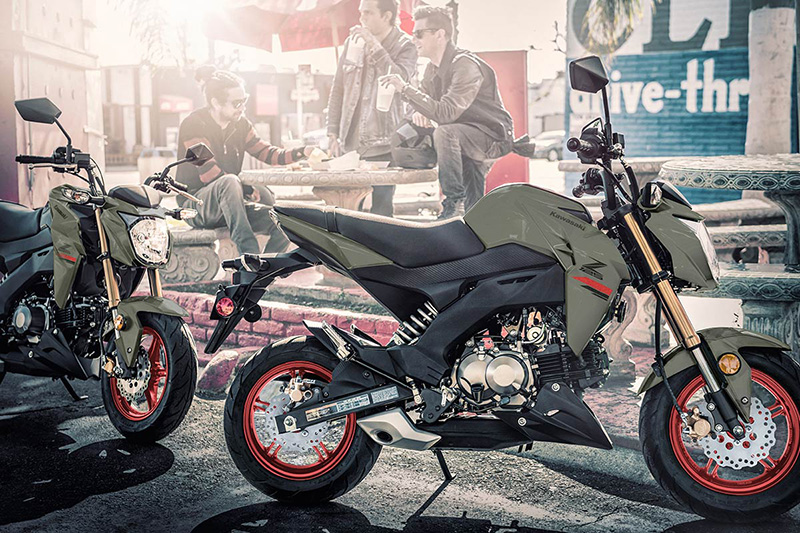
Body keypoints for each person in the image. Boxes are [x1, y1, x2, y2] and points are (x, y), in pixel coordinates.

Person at [380, 6, 514, 219]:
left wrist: (405, 89)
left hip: (491, 137)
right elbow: (420, 100)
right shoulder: (431, 69)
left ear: (440, 35)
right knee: (474, 211)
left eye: (419, 34)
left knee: (445, 132)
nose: (413, 40)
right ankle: (472, 223)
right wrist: (416, 111)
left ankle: (453, 204)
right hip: (464, 137)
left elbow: (446, 113)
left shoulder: (465, 65)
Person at [176, 67, 314, 255]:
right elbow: (209, 172)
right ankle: (249, 255)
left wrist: (302, 152)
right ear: (216, 103)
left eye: (244, 100)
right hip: (196, 206)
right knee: (230, 182)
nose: (242, 107)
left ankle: (268, 265)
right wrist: (247, 189)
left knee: (285, 220)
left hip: (230, 204)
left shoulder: (241, 124)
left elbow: (267, 153)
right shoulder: (193, 125)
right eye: (237, 103)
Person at [326, 0, 417, 217]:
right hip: (350, 141)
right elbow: (338, 88)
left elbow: (399, 79)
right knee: (347, 206)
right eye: (361, 13)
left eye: (368, 13)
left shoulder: (406, 45)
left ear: (386, 16)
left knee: (381, 208)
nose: (362, 18)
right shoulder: (352, 43)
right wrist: (332, 131)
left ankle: (380, 240)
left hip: (383, 141)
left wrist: (373, 44)